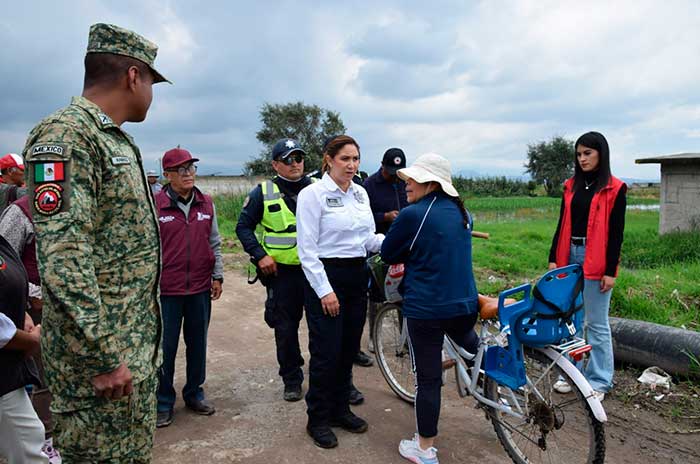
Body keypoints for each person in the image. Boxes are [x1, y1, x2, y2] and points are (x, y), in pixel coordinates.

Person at [21, 23, 168, 462]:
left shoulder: (108, 136)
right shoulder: (66, 137)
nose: (151, 95)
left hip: (129, 358)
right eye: (153, 82)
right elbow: (65, 258)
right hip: (101, 370)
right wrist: (104, 356)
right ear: (133, 76)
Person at [381, 153, 479, 464]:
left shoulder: (413, 214)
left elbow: (387, 252)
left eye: (413, 179)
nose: (407, 184)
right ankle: (496, 395)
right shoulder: (464, 213)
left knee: (428, 380)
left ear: (431, 183)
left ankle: (424, 450)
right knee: (475, 349)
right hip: (465, 304)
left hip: (427, 309)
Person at [297, 135, 384, 449]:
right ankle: (317, 418)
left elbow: (368, 239)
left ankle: (339, 410)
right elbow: (306, 251)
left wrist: (394, 241)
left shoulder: (360, 194)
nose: (351, 165)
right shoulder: (313, 194)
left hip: (356, 276)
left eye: (356, 159)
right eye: (345, 159)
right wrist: (324, 291)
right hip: (325, 277)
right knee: (325, 352)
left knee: (348, 348)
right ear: (329, 159)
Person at [549, 131, 626, 402]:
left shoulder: (615, 188)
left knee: (596, 323)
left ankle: (600, 380)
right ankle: (570, 373)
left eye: (587, 153)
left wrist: (610, 271)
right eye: (579, 154)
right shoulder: (571, 186)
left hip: (597, 258)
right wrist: (553, 256)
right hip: (569, 253)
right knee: (569, 318)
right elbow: (561, 223)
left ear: (601, 154)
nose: (582, 159)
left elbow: (617, 233)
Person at [236, 138, 313, 402]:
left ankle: (326, 375)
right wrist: (259, 255)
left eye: (299, 158)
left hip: (315, 271)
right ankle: (291, 379)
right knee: (285, 328)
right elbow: (243, 227)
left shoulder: (317, 188)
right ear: (275, 164)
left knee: (321, 326)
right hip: (281, 274)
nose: (295, 164)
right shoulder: (263, 192)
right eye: (288, 159)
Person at [155, 147, 224, 427]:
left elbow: (215, 243)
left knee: (197, 345)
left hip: (198, 289)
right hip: (166, 291)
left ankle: (194, 393)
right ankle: (163, 401)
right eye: (182, 170)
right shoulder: (155, 204)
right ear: (167, 175)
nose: (188, 174)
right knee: (165, 349)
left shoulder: (206, 203)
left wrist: (217, 275)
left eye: (191, 168)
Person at [0, 196, 62, 463]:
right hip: (25, 324)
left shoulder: (68, 206)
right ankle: (47, 438)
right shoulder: (19, 212)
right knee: (42, 378)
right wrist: (30, 300)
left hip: (38, 314)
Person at [0, 234, 47, 463]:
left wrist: (23, 313)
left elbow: (8, 283)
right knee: (28, 450)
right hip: (3, 377)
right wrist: (29, 341)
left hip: (11, 371)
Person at [362, 147, 409, 355]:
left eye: (397, 172)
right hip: (378, 246)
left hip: (403, 245)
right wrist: (384, 217)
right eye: (390, 171)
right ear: (382, 166)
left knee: (403, 292)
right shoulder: (369, 185)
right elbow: (363, 217)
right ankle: (373, 336)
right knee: (377, 294)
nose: (393, 176)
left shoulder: (404, 182)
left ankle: (404, 338)